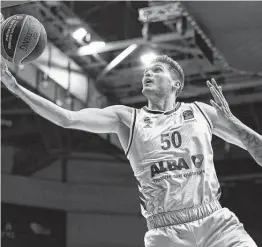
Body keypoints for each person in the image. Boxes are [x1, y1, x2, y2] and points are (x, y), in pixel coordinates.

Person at [1, 55, 261, 247]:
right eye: (145, 71)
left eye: (156, 70)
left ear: (176, 84)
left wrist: (235, 123)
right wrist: (16, 87)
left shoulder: (203, 112)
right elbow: (68, 119)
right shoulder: (127, 118)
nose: (147, 74)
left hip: (215, 222)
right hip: (167, 234)